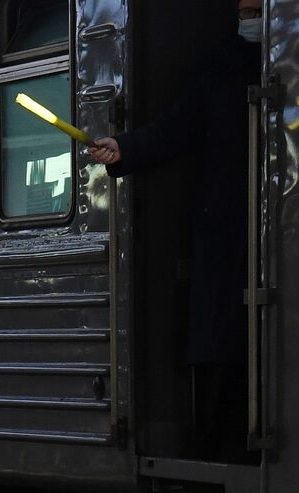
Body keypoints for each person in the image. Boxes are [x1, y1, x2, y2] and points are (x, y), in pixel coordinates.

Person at [88, 0, 262, 459]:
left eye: (258, 7)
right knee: (223, 335)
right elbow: (175, 128)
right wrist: (122, 149)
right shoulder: (221, 68)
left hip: (270, 226)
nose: (251, 16)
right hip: (227, 226)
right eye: (244, 8)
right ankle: (222, 442)